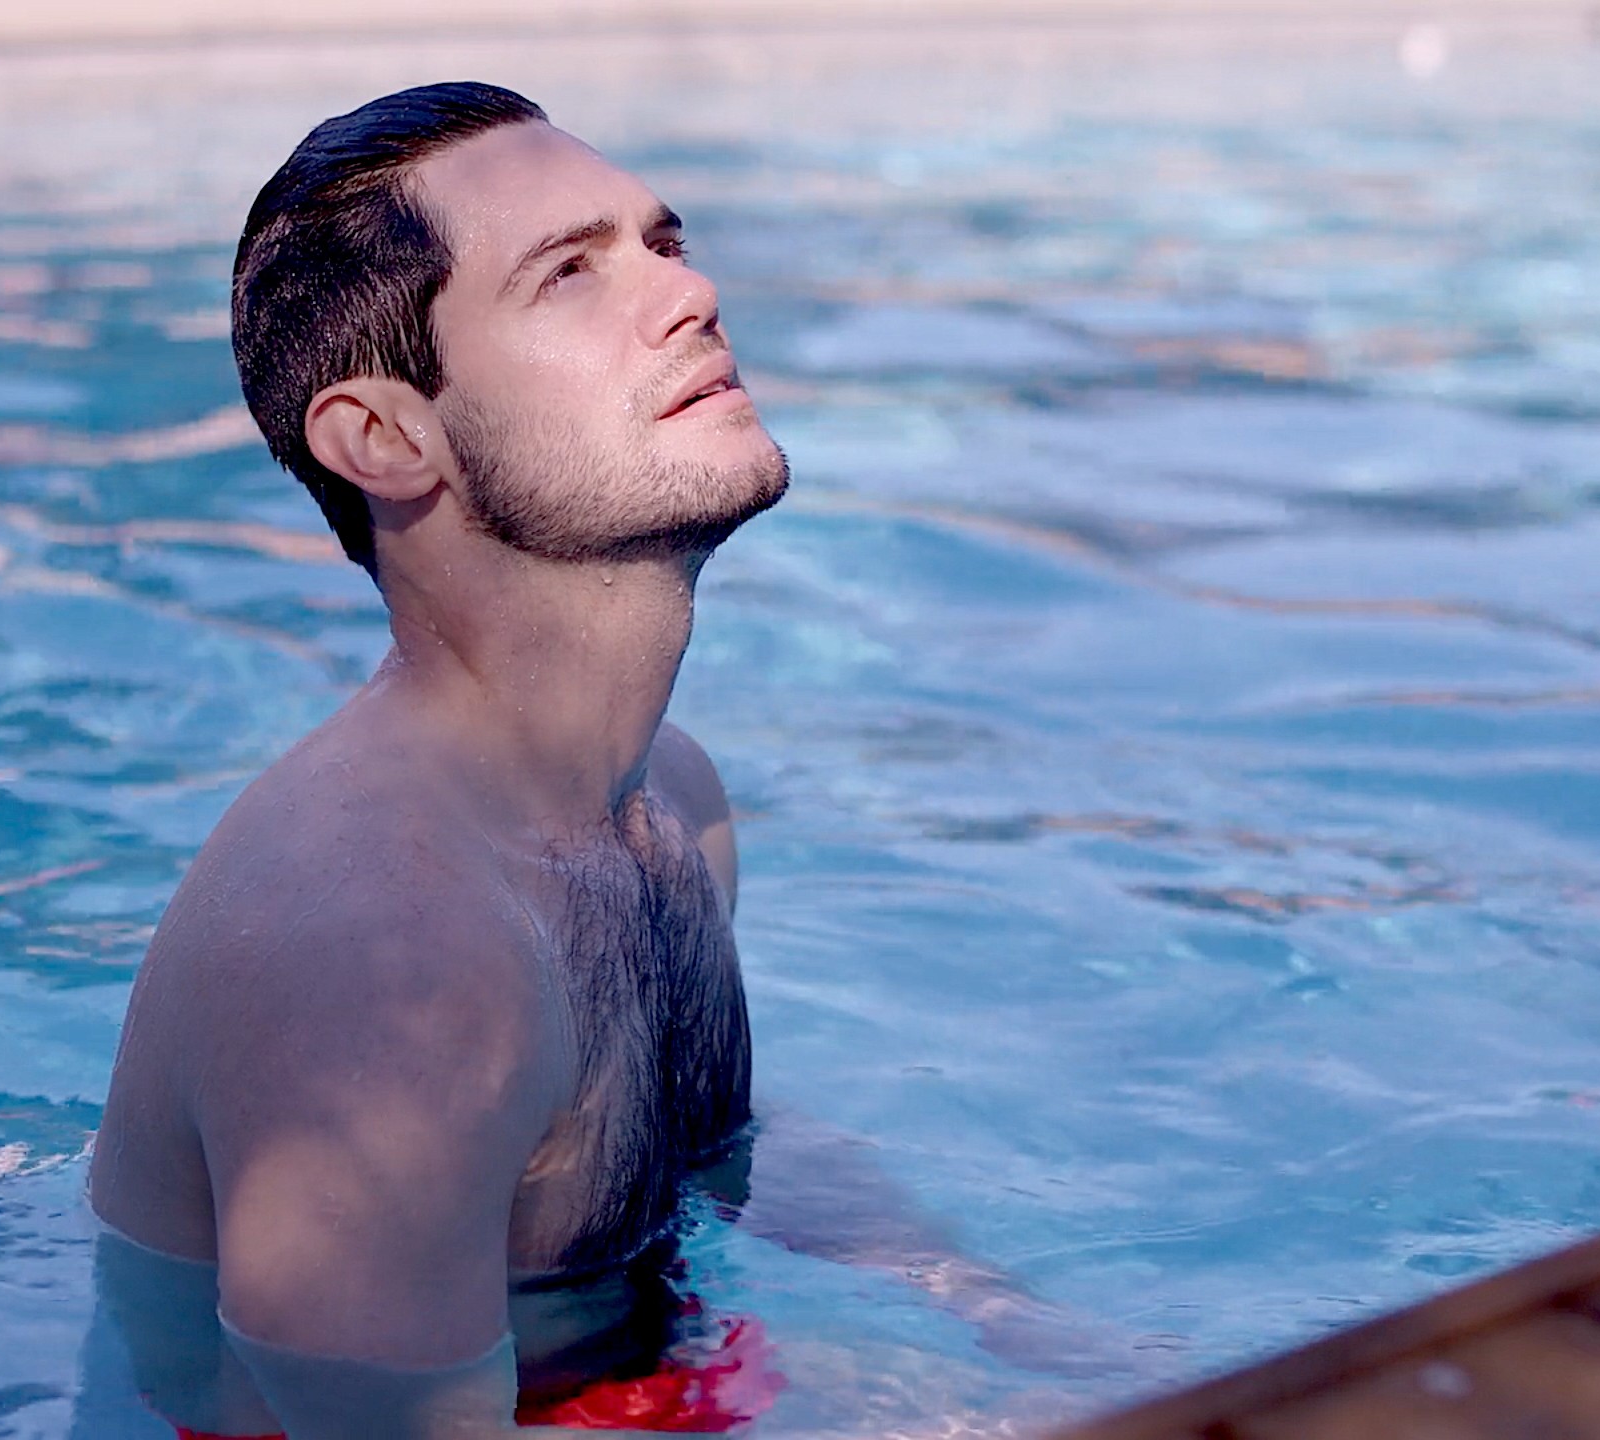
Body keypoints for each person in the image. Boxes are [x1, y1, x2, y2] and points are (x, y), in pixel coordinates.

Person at [84, 82, 1106, 1440]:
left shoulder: (667, 797)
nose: (691, 294)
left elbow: (713, 1149)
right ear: (385, 437)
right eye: (569, 272)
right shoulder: (385, 966)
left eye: (663, 243)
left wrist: (1018, 1333)